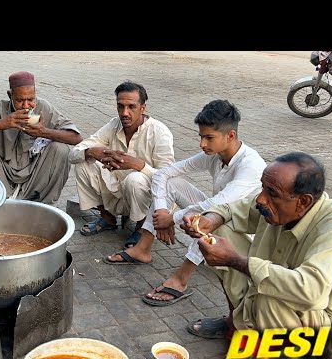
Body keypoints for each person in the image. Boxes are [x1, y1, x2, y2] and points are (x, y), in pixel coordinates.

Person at [184, 152, 332, 359]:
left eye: (271, 193)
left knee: (269, 292)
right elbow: (233, 210)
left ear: (303, 202)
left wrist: (235, 260)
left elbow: (310, 292)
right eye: (263, 188)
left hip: (331, 320)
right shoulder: (276, 203)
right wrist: (208, 220)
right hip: (288, 300)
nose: (261, 199)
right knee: (220, 231)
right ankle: (237, 321)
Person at [103, 100, 266, 309]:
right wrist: (162, 211)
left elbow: (218, 204)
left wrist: (172, 218)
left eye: (209, 138)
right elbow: (164, 173)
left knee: (210, 219)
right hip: (219, 216)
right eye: (201, 136)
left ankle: (181, 279)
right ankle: (142, 249)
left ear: (230, 135)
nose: (202, 144)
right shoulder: (215, 155)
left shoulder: (250, 165)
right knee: (173, 184)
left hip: (245, 239)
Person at [70, 81, 175, 249]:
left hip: (146, 194)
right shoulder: (113, 125)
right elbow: (74, 153)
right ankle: (107, 217)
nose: (125, 113)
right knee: (83, 163)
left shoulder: (159, 132)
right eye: (120, 106)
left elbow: (169, 178)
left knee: (135, 179)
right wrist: (92, 151)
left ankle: (142, 228)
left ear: (143, 108)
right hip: (117, 190)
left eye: (131, 107)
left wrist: (138, 165)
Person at [0, 71, 82, 205]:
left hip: (34, 175)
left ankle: (44, 206)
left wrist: (44, 132)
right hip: (2, 174)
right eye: (19, 100)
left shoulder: (43, 107)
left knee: (61, 149)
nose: (26, 106)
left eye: (30, 100)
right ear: (10, 95)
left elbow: (76, 138)